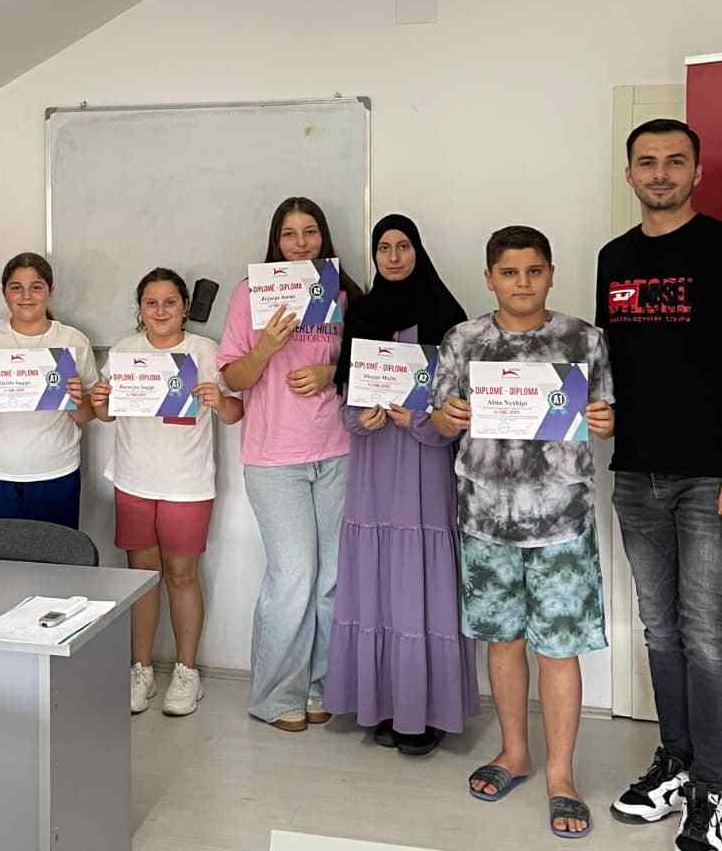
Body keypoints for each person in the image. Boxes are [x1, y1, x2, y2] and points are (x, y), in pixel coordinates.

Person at [597, 119, 722, 851]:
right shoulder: (614, 258)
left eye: (675, 161)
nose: (661, 172)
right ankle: (673, 762)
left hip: (712, 477)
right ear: (630, 174)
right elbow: (615, 363)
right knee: (661, 629)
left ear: (697, 172)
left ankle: (710, 791)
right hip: (635, 474)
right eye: (647, 161)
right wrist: (602, 412)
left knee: (708, 636)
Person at [432, 225, 616, 839]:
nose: (522, 283)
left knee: (558, 649)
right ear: (490, 278)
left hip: (561, 520)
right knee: (502, 642)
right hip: (486, 519)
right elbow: (439, 419)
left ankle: (561, 775)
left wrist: (604, 420)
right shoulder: (463, 340)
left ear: (551, 273)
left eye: (534, 271)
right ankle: (515, 752)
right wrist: (448, 415)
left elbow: (605, 416)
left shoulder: (583, 339)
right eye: (509, 273)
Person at [324, 214, 478, 757]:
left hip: (424, 463)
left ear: (418, 251)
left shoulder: (448, 318)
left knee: (420, 578)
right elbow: (346, 393)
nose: (393, 257)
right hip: (372, 463)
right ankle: (382, 703)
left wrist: (419, 422)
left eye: (403, 246)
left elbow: (462, 409)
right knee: (377, 579)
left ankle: (424, 712)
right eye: (383, 248)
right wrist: (359, 420)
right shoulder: (362, 315)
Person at [218, 196, 363, 732]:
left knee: (332, 578)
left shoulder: (343, 294)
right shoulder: (249, 293)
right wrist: (267, 348)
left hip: (336, 450)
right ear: (275, 242)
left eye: (310, 232)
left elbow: (368, 366)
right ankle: (276, 694)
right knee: (294, 576)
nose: (301, 243)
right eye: (289, 234)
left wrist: (331, 373)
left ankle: (321, 686)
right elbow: (233, 377)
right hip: (274, 457)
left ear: (323, 237)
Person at [89, 268, 243, 717]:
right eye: (151, 303)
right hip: (134, 480)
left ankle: (187, 671)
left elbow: (234, 413)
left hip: (187, 484)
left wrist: (218, 399)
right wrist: (100, 401)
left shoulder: (204, 351)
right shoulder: (123, 352)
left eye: (170, 302)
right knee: (141, 578)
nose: (160, 311)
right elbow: (106, 415)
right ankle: (140, 669)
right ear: (140, 309)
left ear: (184, 308)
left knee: (182, 576)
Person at [0, 253, 97, 527]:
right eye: (16, 287)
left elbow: (89, 414)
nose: (26, 295)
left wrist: (77, 402)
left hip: (56, 473)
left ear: (50, 290)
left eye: (36, 287)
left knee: (55, 553)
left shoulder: (73, 340)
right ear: (4, 292)